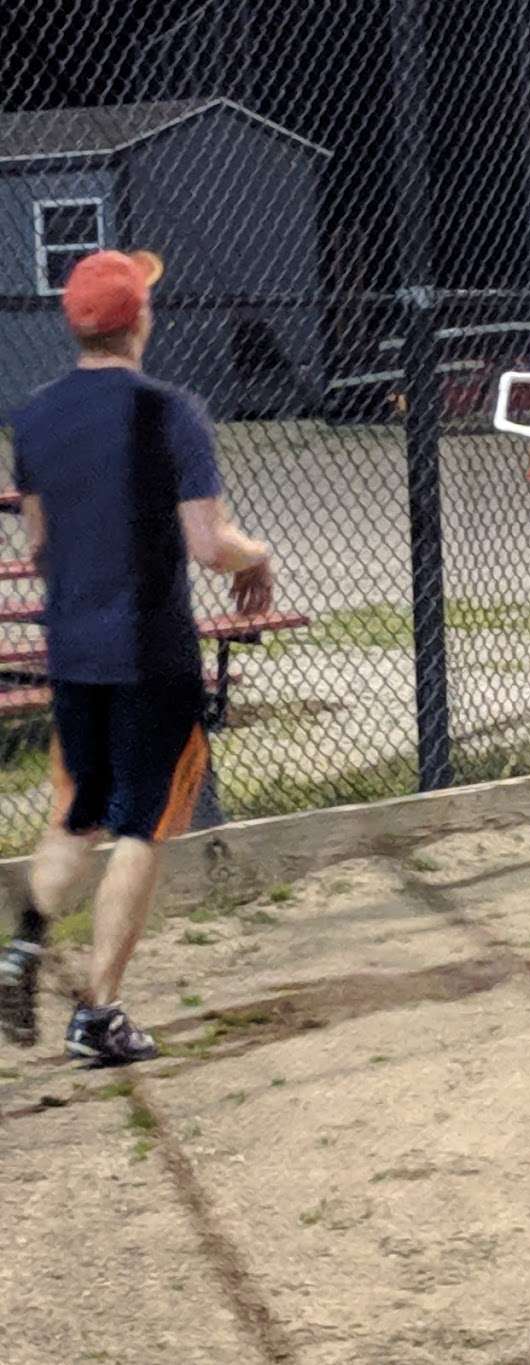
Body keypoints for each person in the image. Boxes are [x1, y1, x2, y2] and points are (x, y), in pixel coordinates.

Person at [0, 249, 273, 1065]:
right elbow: (206, 542)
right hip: (150, 649)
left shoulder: (35, 417)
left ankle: (24, 942)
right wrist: (255, 553)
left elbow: (41, 542)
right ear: (139, 320)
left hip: (73, 647)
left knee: (78, 811)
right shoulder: (169, 410)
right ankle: (99, 1013)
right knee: (141, 825)